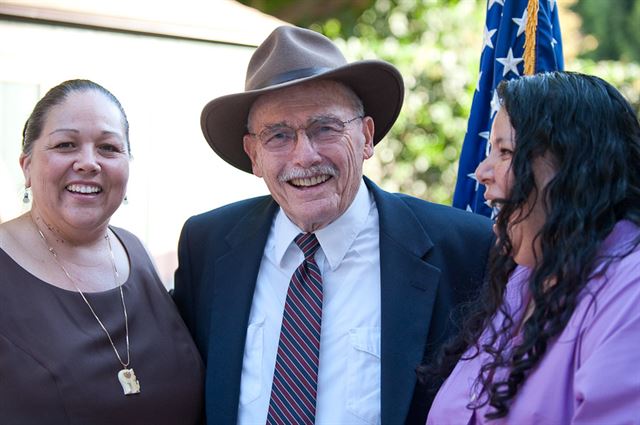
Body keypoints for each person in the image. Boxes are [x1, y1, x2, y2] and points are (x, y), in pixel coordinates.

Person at [173, 25, 494, 425]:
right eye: (278, 136)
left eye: (325, 128)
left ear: (366, 137)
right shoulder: (207, 245)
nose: (304, 156)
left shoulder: (465, 250)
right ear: (253, 154)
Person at [425, 71, 640, 424]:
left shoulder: (630, 288)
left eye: (506, 151)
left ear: (575, 165)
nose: (482, 171)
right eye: (490, 151)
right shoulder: (524, 277)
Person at [0, 79, 204, 424]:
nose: (88, 163)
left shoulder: (136, 253)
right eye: (65, 144)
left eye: (109, 148)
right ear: (27, 166)